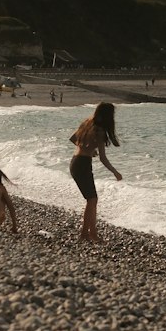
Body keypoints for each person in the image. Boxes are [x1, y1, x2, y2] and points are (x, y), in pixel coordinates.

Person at [69, 101, 122, 243]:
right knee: (91, 200)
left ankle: (91, 233)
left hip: (75, 161)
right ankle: (86, 234)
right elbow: (103, 159)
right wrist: (115, 172)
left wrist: (87, 149)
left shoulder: (86, 122)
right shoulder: (100, 132)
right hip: (82, 165)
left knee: (92, 200)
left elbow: (73, 139)